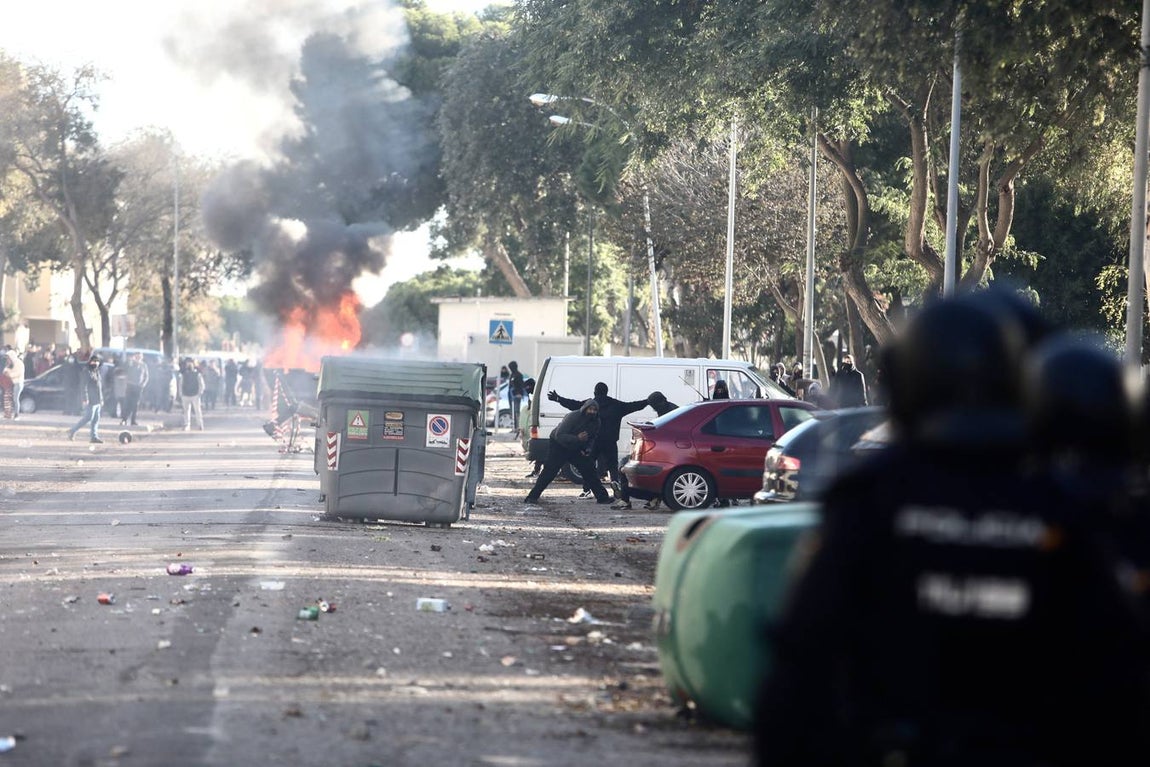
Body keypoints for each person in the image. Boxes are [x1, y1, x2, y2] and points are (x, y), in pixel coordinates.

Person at [753, 293, 1150, 767]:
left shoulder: (872, 498)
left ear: (905, 386)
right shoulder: (1059, 506)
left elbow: (800, 666)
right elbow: (1118, 673)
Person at [548, 382, 649, 500]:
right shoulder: (616, 405)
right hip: (610, 441)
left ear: (595, 392)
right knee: (612, 465)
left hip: (594, 440)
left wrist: (558, 398)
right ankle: (615, 483)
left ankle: (587, 490)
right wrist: (647, 401)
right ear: (607, 391)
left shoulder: (591, 405)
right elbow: (633, 406)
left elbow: (573, 404)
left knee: (589, 466)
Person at [525, 399, 612, 505]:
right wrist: (577, 438)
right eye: (590, 409)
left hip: (575, 447)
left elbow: (592, 438)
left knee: (589, 470)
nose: (592, 412)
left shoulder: (596, 422)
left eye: (594, 410)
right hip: (559, 445)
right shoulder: (573, 417)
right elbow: (559, 435)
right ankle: (532, 497)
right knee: (549, 471)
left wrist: (587, 449)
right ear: (585, 409)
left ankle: (602, 497)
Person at [611, 391, 680, 510]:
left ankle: (625, 498)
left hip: (662, 452)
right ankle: (633, 497)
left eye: (654, 406)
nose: (654, 409)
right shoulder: (670, 409)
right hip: (663, 451)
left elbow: (662, 430)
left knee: (624, 467)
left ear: (660, 402)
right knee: (625, 466)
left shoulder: (668, 412)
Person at [67, 354, 105, 443]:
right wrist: (85, 398)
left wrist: (101, 399)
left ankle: (94, 437)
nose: (95, 363)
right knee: (88, 417)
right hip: (91, 399)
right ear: (90, 361)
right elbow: (83, 386)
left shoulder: (96, 372)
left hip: (97, 400)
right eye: (94, 361)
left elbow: (99, 387)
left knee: (96, 419)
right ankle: (72, 430)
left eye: (97, 361)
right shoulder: (87, 371)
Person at [121, 351, 149, 426]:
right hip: (130, 386)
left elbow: (146, 376)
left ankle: (133, 420)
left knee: (135, 404)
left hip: (138, 387)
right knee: (127, 403)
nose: (138, 358)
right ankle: (124, 419)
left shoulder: (144, 365)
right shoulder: (130, 363)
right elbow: (124, 370)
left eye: (140, 356)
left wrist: (143, 384)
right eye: (137, 356)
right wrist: (130, 361)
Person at [178, 357, 206, 431]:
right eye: (188, 363)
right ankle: (186, 425)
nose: (189, 364)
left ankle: (200, 425)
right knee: (186, 411)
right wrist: (181, 394)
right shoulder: (183, 374)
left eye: (190, 363)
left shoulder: (197, 374)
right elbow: (180, 384)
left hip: (195, 395)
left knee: (197, 411)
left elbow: (201, 384)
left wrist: (200, 393)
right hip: (185, 395)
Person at [3, 345, 22, 419]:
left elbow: (19, 373)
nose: (7, 359)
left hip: (18, 383)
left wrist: (9, 375)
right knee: (9, 399)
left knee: (15, 399)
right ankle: (8, 414)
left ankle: (17, 414)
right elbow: (5, 371)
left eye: (8, 357)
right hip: (11, 383)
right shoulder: (9, 363)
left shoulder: (19, 363)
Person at [508, 360, 526, 437]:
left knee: (516, 411)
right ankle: (514, 427)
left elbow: (521, 385)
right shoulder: (512, 375)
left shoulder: (518, 375)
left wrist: (520, 394)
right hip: (511, 395)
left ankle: (517, 427)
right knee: (512, 411)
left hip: (516, 395)